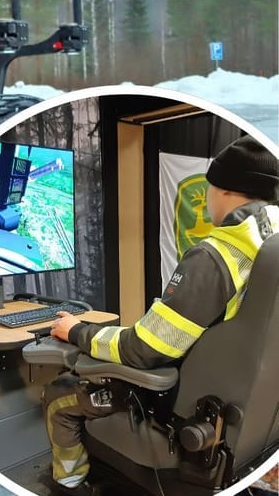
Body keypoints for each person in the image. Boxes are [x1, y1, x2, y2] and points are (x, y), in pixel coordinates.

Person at [43, 134, 279, 490]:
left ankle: (68, 483)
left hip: (181, 420)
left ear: (227, 191)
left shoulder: (218, 255)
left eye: (210, 188)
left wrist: (76, 331)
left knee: (59, 395)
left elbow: (144, 349)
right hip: (251, 429)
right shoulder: (269, 242)